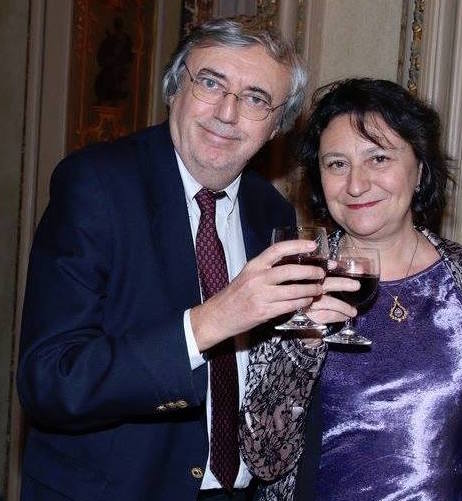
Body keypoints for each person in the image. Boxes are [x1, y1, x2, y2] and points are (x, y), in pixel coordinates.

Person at [17, 18, 339, 501]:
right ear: (174, 89)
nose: (227, 112)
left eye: (256, 99)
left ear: (277, 126)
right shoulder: (97, 185)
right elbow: (49, 381)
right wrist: (211, 321)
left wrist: (306, 338)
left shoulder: (270, 211)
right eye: (210, 83)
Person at [239, 78, 462, 500]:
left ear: (420, 169)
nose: (356, 185)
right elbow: (263, 457)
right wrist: (302, 346)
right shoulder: (293, 279)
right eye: (336, 164)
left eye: (378, 158)